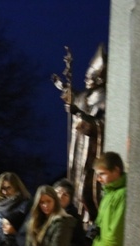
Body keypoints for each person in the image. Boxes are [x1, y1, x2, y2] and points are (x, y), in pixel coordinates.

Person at [53, 44, 107, 221]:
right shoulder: (86, 95)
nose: (87, 78)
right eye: (86, 75)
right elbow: (77, 101)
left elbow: (102, 123)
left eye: (91, 76)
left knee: (87, 190)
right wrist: (65, 89)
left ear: (100, 78)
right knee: (75, 187)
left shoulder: (105, 97)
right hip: (79, 150)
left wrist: (87, 122)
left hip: (92, 153)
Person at [0, 172, 32, 246]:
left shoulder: (25, 204)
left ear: (16, 187)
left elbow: (26, 231)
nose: (5, 192)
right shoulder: (0, 205)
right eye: (2, 189)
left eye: (8, 188)